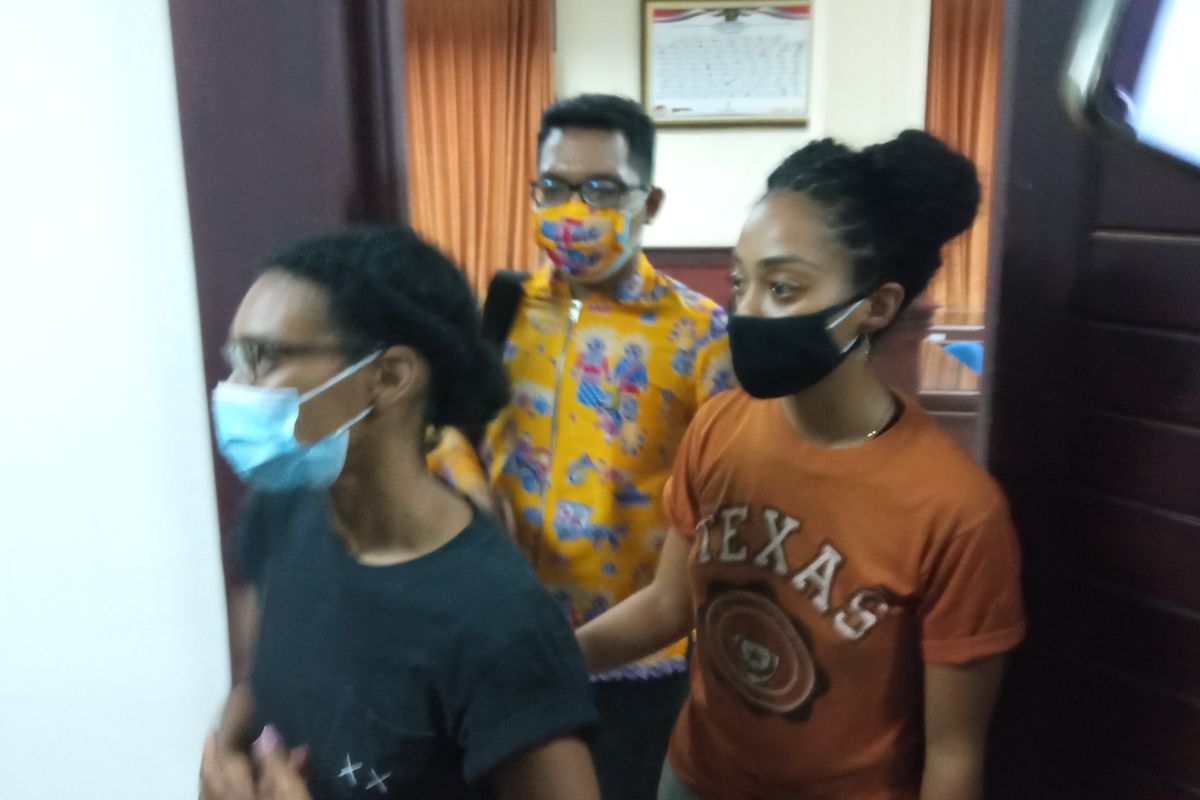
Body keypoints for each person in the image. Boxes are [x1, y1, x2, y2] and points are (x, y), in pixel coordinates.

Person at [577, 131, 1026, 800]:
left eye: (782, 287)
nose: (746, 311)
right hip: (695, 779)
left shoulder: (956, 511)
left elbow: (953, 755)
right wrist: (538, 662)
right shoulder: (718, 430)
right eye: (740, 281)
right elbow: (669, 606)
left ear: (877, 306)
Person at [197, 226, 600, 800]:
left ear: (388, 377)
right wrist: (226, 762)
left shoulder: (498, 622)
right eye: (235, 356)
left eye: (261, 357)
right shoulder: (280, 515)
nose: (234, 386)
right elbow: (261, 685)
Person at [431, 93, 734, 800]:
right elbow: (445, 428)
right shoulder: (504, 308)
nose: (574, 207)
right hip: (501, 644)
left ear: (649, 202)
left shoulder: (703, 337)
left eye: (601, 188)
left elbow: (722, 514)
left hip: (635, 665)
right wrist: (475, 496)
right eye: (555, 186)